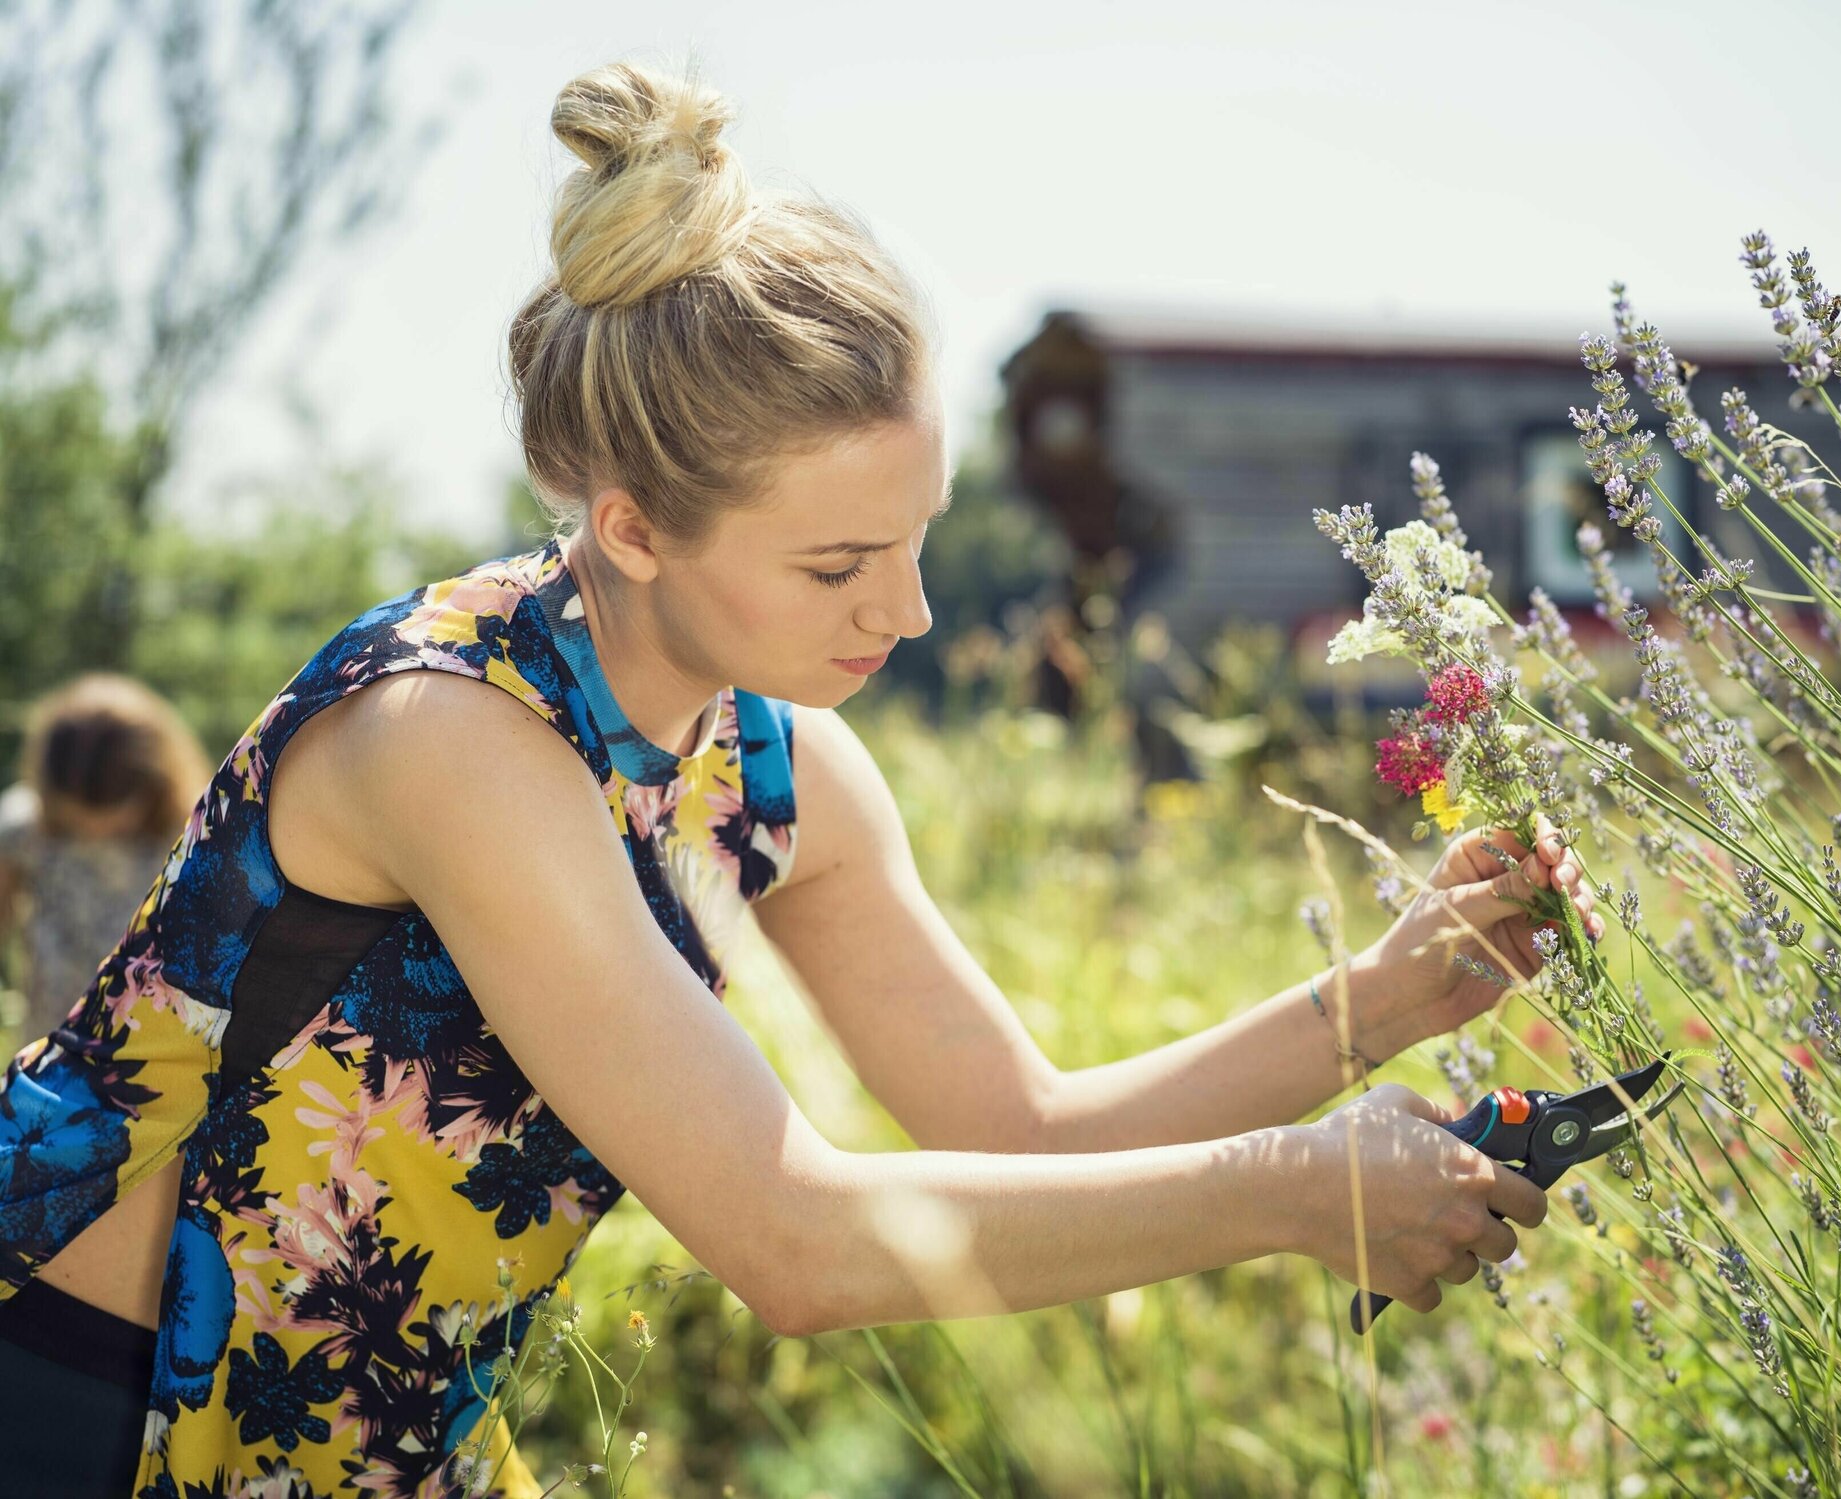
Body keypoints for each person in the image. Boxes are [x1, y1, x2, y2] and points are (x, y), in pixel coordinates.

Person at [0, 59, 1602, 1498]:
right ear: (629, 524)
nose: (902, 612)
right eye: (840, 561)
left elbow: (1027, 1124)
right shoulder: (451, 736)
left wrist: (1383, 1000)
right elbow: (797, 1244)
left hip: (359, 1430)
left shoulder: (778, 776)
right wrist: (1294, 1190)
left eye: (915, 543)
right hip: (78, 1389)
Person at [0, 674, 211, 1042]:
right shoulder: (24, 829)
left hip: (157, 1053)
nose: (93, 833)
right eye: (76, 822)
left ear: (155, 786)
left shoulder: (196, 832)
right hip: (53, 1045)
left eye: (111, 821)